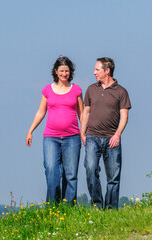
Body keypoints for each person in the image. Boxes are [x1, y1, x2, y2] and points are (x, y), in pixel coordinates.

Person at [26, 56, 83, 204]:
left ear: (71, 72)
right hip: (51, 137)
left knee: (70, 174)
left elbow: (82, 114)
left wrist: (84, 133)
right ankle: (53, 207)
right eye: (61, 71)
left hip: (72, 137)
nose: (64, 74)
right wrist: (31, 130)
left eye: (67, 71)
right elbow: (40, 112)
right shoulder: (47, 90)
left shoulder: (76, 90)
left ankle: (69, 208)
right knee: (51, 171)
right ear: (56, 72)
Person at [81, 57, 131, 209]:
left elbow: (124, 117)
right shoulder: (91, 89)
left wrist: (117, 134)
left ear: (107, 70)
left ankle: (111, 209)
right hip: (92, 137)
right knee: (90, 169)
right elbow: (86, 112)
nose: (94, 72)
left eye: (97, 69)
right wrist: (82, 133)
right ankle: (97, 204)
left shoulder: (121, 92)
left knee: (113, 177)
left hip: (111, 139)